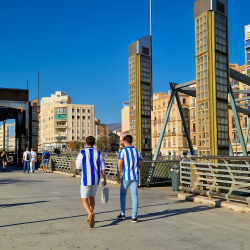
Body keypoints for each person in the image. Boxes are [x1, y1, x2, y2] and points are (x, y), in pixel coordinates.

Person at [75, 136, 107, 228]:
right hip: (96, 179)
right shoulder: (98, 153)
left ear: (86, 143)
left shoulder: (82, 153)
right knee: (92, 198)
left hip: (86, 180)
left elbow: (78, 166)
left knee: (84, 200)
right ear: (94, 143)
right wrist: (104, 179)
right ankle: (89, 216)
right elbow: (103, 168)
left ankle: (90, 214)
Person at [117, 135, 143, 223]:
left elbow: (119, 164)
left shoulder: (122, 152)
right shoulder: (137, 151)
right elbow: (141, 164)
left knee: (123, 195)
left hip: (126, 177)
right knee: (134, 196)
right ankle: (134, 216)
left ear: (124, 141)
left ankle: (123, 214)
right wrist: (136, 170)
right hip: (135, 177)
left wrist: (118, 176)